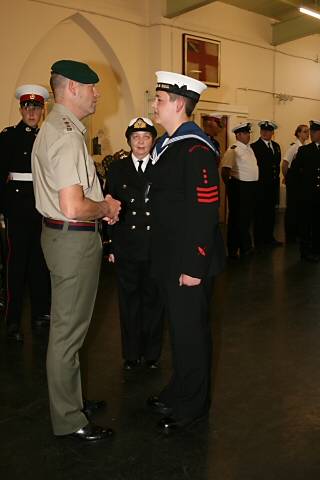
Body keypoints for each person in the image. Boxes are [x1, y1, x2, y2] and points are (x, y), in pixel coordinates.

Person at [31, 59, 121, 442]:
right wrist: (106, 208)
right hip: (73, 237)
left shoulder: (57, 128)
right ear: (71, 89)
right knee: (67, 334)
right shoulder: (66, 134)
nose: (97, 93)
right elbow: (72, 205)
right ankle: (69, 418)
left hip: (62, 237)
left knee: (70, 328)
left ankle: (71, 400)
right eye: (92, 87)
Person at [146, 71, 225, 433]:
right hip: (169, 258)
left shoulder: (196, 148)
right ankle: (179, 389)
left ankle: (193, 404)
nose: (154, 105)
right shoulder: (169, 144)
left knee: (191, 333)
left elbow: (205, 210)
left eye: (159, 100)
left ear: (179, 104)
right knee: (178, 331)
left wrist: (194, 264)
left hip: (188, 261)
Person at [106, 117, 164, 370]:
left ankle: (151, 354)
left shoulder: (163, 167)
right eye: (136, 138)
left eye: (146, 137)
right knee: (128, 302)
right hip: (126, 245)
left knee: (154, 302)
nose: (141, 142)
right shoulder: (117, 169)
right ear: (129, 141)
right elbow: (109, 207)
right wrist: (109, 245)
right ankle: (131, 354)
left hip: (154, 246)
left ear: (153, 140)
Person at [0, 85, 51, 342]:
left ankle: (41, 314)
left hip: (41, 208)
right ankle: (12, 319)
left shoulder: (46, 137)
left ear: (43, 111)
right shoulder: (8, 137)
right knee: (16, 266)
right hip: (17, 210)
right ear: (21, 109)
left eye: (37, 108)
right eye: (28, 107)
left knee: (40, 264)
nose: (32, 112)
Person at [221, 122, 258, 259]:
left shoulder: (249, 148)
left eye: (248, 133)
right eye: (245, 133)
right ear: (238, 135)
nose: (248, 135)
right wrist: (232, 187)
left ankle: (244, 247)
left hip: (250, 188)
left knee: (246, 219)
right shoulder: (233, 149)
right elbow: (225, 170)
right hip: (239, 187)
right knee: (237, 219)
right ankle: (234, 249)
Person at [290, 120, 320, 262]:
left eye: (315, 131)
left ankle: (316, 249)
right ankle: (305, 251)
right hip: (308, 195)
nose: (312, 134)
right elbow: (293, 173)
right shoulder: (304, 150)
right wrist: (298, 193)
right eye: (311, 131)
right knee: (306, 225)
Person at [251, 120, 282, 247]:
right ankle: (259, 241)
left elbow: (276, 165)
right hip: (260, 187)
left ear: (272, 132)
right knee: (260, 215)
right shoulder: (254, 147)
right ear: (260, 131)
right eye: (263, 130)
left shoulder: (276, 146)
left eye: (268, 131)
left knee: (271, 214)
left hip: (273, 186)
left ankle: (269, 238)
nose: (265, 132)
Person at [282, 124, 309, 243]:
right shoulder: (294, 147)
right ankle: (290, 235)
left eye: (308, 132)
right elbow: (285, 164)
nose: (307, 134)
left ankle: (297, 232)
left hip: (301, 182)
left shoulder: (305, 146)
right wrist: (287, 178)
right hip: (293, 181)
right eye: (304, 132)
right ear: (298, 133)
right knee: (292, 208)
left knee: (299, 207)